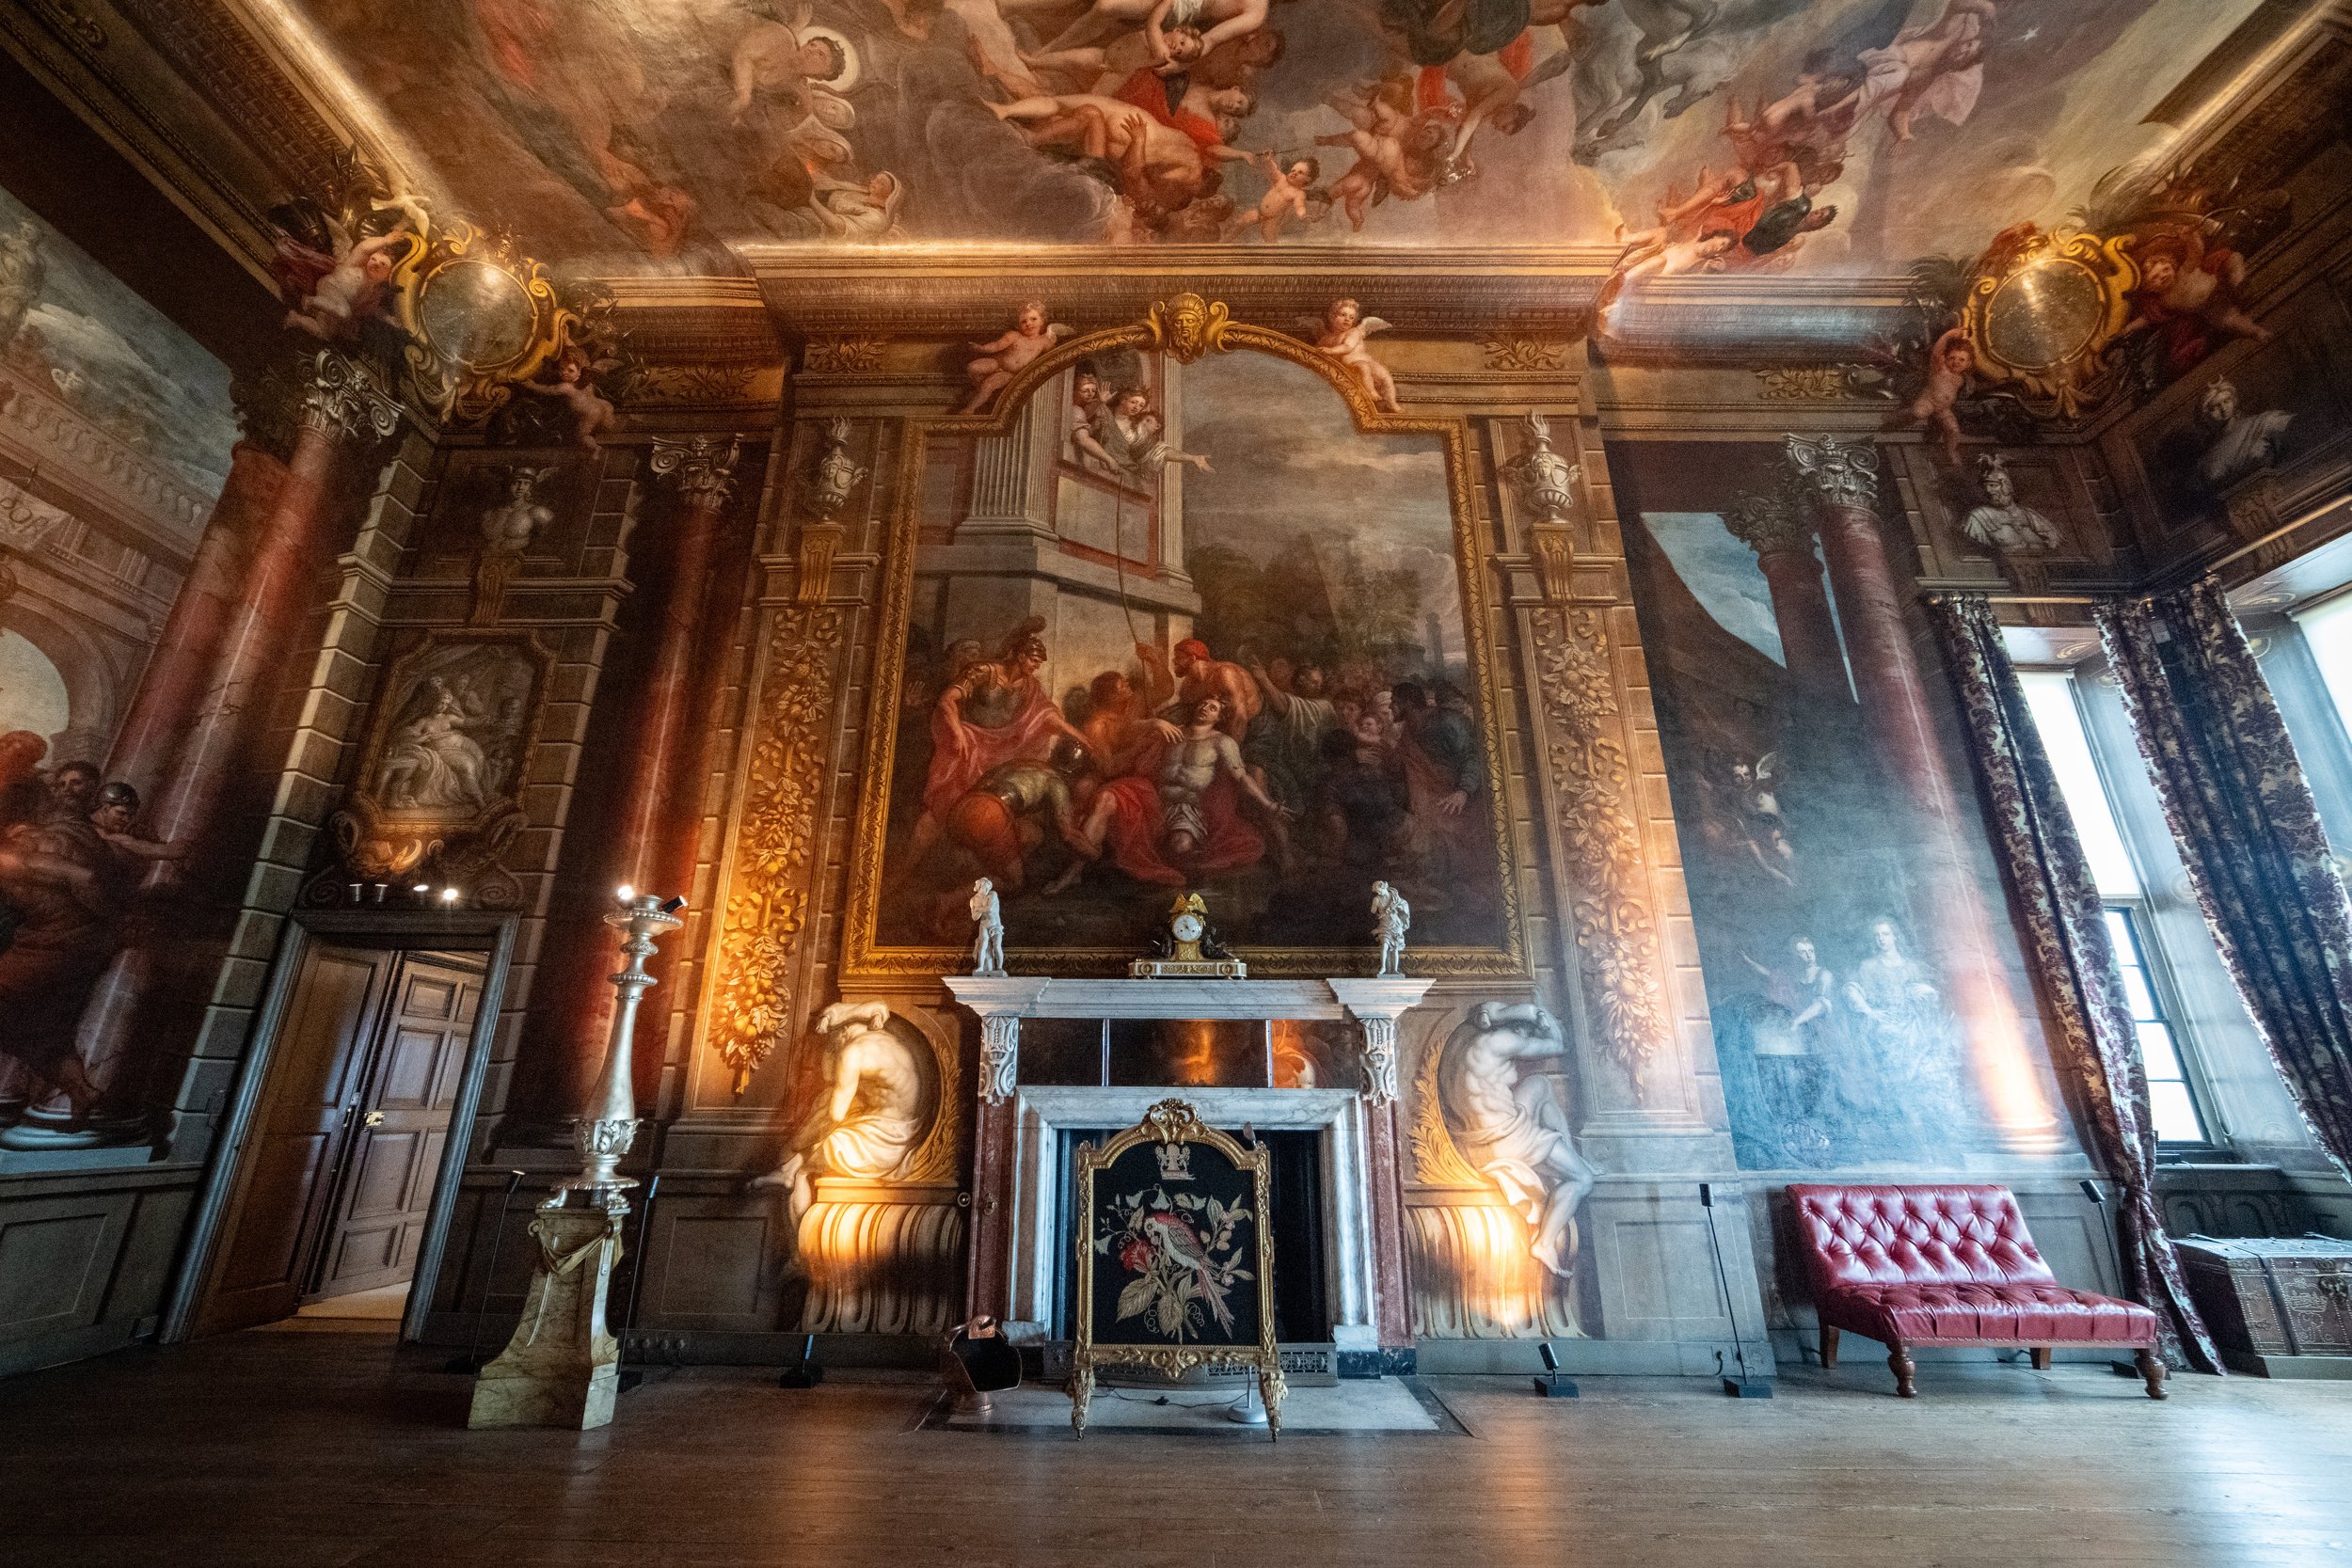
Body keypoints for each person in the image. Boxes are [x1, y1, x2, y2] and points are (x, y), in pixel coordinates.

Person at [1440, 1002, 1596, 1276]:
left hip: (1478, 1140)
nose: (1528, 1035)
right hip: (1510, 1141)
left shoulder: (1464, 1043)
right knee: (1583, 1179)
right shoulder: (1502, 1041)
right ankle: (1544, 1243)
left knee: (1540, 1085)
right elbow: (1560, 1045)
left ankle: (1569, 1151)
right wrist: (1540, 1012)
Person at [755, 1001, 928, 1228]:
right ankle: (786, 1169)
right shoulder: (887, 1040)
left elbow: (836, 1115)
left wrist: (797, 1143)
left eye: (830, 1041)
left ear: (843, 1030)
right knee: (827, 1100)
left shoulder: (852, 1053)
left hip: (887, 1141)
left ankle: (798, 1255)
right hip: (905, 1127)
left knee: (802, 1167)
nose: (829, 1046)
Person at [961, 303, 1072, 414]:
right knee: (973, 367)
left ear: (1042, 321)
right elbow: (996, 345)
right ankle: (978, 390)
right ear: (1018, 325)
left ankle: (970, 408)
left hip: (1012, 374)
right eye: (1023, 321)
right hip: (997, 363)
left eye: (1033, 319)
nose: (1028, 323)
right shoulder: (1014, 335)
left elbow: (1053, 356)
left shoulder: (1044, 342)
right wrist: (981, 348)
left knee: (988, 385)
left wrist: (1055, 339)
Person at [2195, 376, 2295, 489]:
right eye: (2215, 407)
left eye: (2226, 401)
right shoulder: (2206, 461)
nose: (2223, 409)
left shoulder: (2261, 423)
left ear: (2233, 400)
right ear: (2206, 414)